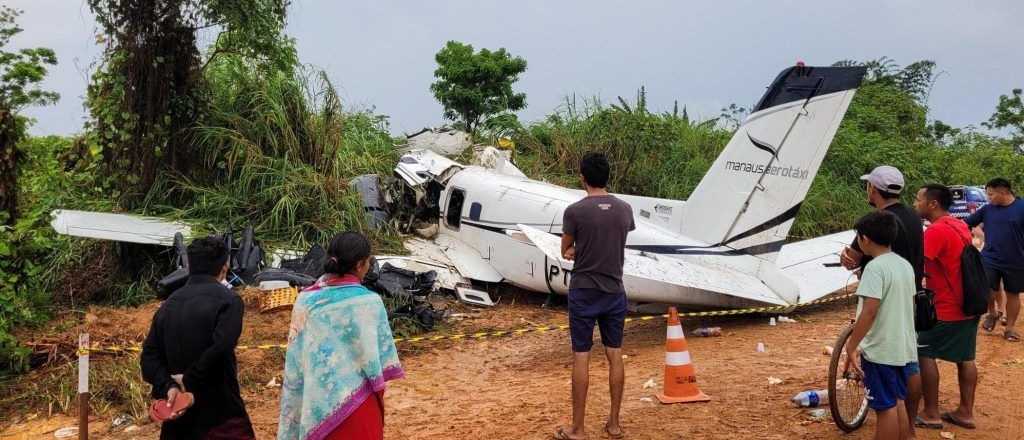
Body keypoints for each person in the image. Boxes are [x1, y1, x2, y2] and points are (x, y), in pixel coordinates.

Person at [278, 232, 404, 440]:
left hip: (316, 404)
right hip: (360, 405)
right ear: (360, 264)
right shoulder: (369, 302)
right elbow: (379, 361)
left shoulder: (305, 301)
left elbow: (298, 359)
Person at [141, 236, 255, 439]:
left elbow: (148, 358)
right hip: (220, 414)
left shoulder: (168, 306)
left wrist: (170, 386)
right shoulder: (229, 301)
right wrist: (189, 381)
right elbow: (222, 346)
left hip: (178, 418)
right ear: (224, 267)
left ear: (190, 266)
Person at [555, 152, 635, 440]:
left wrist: (578, 250)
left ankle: (577, 428)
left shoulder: (574, 212)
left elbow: (565, 250)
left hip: (584, 291)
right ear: (607, 178)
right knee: (615, 355)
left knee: (581, 356)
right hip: (615, 290)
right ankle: (614, 424)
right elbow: (617, 241)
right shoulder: (625, 210)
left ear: (583, 178)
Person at [840, 165, 924, 436]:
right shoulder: (913, 219)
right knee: (897, 397)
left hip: (881, 346)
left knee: (885, 406)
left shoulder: (875, 231)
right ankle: (907, 430)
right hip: (903, 335)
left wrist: (853, 346)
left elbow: (870, 312)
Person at [912, 184, 980, 430]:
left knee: (924, 352)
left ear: (932, 204)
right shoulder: (959, 225)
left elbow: (918, 265)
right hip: (969, 303)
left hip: (946, 307)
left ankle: (931, 412)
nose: (914, 204)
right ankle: (965, 412)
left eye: (918, 199)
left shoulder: (935, 232)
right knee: (966, 357)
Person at [965, 177, 1024, 342]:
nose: (988, 198)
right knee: (986, 287)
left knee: (1013, 294)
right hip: (990, 257)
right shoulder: (987, 210)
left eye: (991, 194)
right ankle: (992, 313)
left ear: (1003, 192)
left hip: (1017, 260)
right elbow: (966, 224)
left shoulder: (1022, 207)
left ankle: (1010, 328)